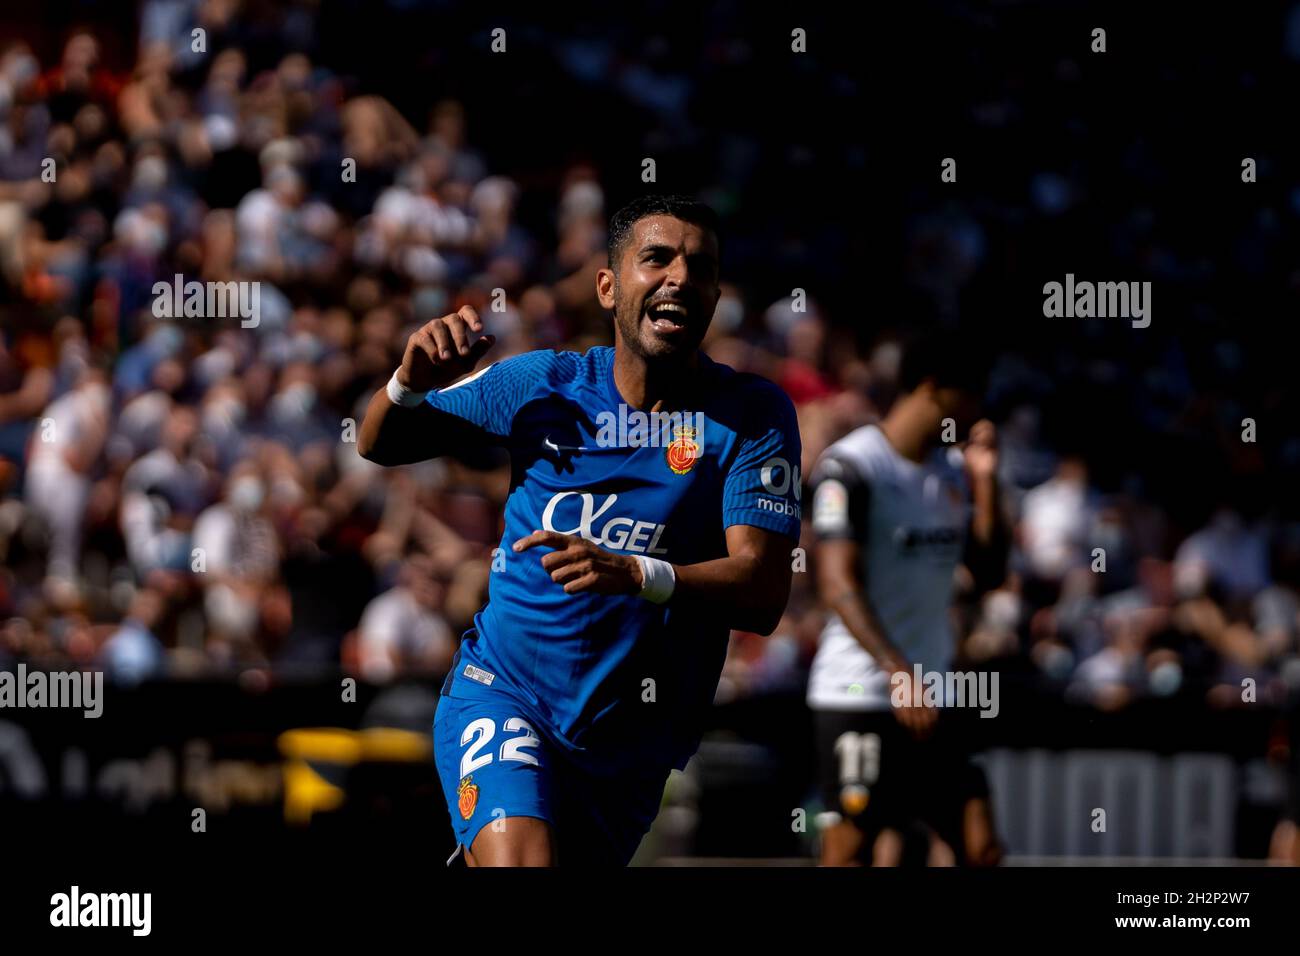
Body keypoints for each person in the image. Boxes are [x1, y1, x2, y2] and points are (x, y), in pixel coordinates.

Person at [358, 195, 801, 866]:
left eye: (701, 267)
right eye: (656, 258)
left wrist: (636, 573)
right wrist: (408, 385)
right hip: (507, 693)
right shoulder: (543, 385)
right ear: (608, 286)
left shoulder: (751, 416)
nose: (680, 277)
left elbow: (763, 592)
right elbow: (382, 445)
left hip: (630, 748)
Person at [807, 337, 1006, 866]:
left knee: (980, 846)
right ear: (933, 390)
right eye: (972, 397)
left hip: (932, 694)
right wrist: (897, 671)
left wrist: (986, 483)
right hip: (858, 692)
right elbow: (836, 585)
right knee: (851, 849)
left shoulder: (952, 472)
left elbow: (988, 573)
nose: (978, 413)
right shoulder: (852, 468)